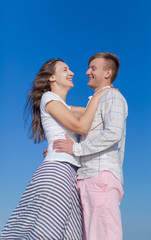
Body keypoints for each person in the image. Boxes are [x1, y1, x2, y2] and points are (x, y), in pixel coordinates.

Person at [0, 58, 109, 240]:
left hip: (68, 174)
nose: (72, 73)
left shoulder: (64, 106)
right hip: (57, 172)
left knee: (68, 234)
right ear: (52, 77)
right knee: (47, 233)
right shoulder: (49, 98)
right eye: (65, 69)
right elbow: (80, 126)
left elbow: (93, 114)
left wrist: (108, 96)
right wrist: (100, 95)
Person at [53, 52, 128, 240]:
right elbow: (69, 112)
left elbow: (113, 133)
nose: (87, 72)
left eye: (93, 68)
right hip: (87, 177)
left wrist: (75, 149)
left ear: (107, 73)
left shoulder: (112, 97)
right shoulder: (97, 101)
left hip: (100, 177)